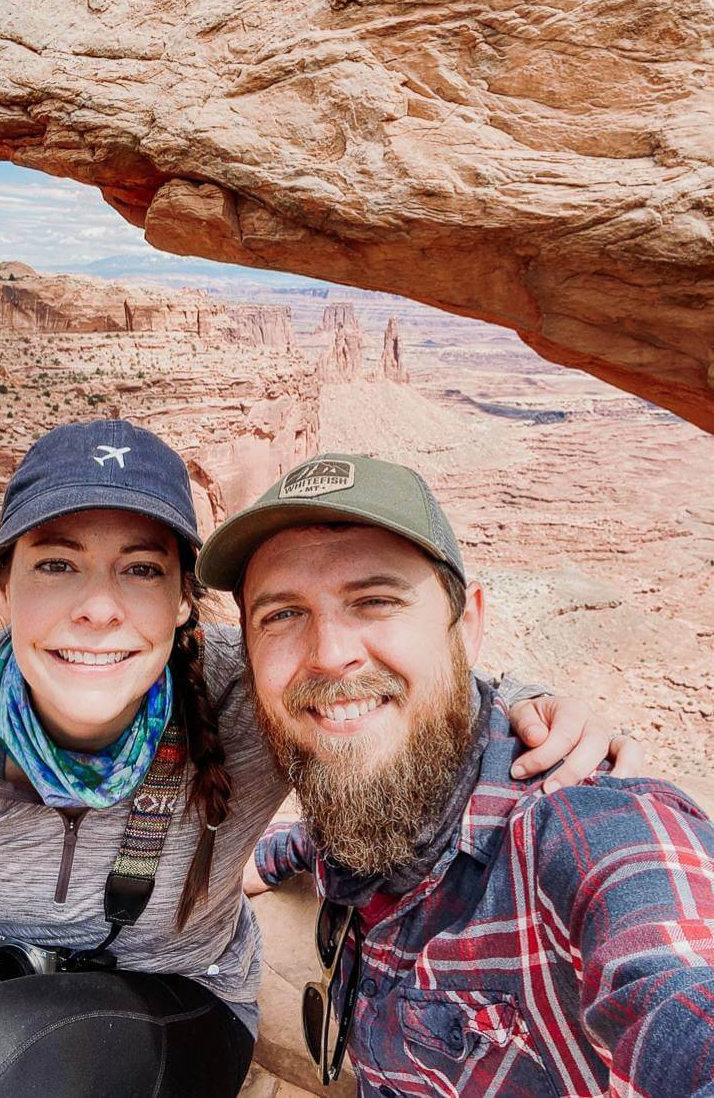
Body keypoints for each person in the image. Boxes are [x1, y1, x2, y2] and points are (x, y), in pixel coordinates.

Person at [0, 425, 639, 1098]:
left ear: (181, 602)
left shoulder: (253, 686)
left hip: (180, 995)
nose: (97, 609)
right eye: (56, 566)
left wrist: (531, 700)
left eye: (139, 569)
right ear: (3, 585)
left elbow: (398, 691)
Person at [195, 453, 714, 1097]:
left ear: (467, 626)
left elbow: (677, 980)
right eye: (282, 614)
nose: (329, 654)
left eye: (376, 600)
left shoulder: (594, 835)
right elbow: (321, 840)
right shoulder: (376, 793)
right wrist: (251, 866)